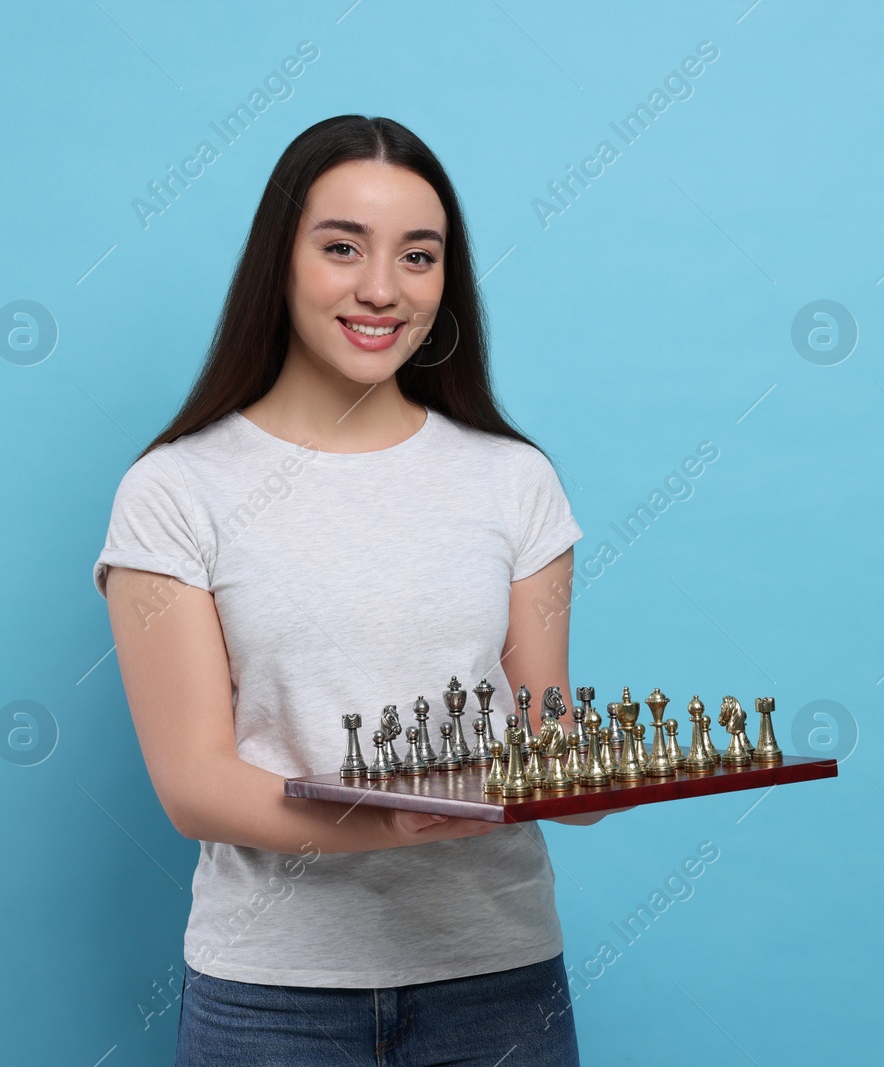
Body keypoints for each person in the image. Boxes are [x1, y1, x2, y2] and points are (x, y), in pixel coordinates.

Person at [92, 114, 618, 1066]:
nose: (383, 289)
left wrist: (603, 782)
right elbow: (195, 785)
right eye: (343, 247)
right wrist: (384, 821)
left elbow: (546, 739)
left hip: (499, 982)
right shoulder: (174, 490)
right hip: (272, 1002)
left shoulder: (514, 480)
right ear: (279, 262)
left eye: (419, 257)